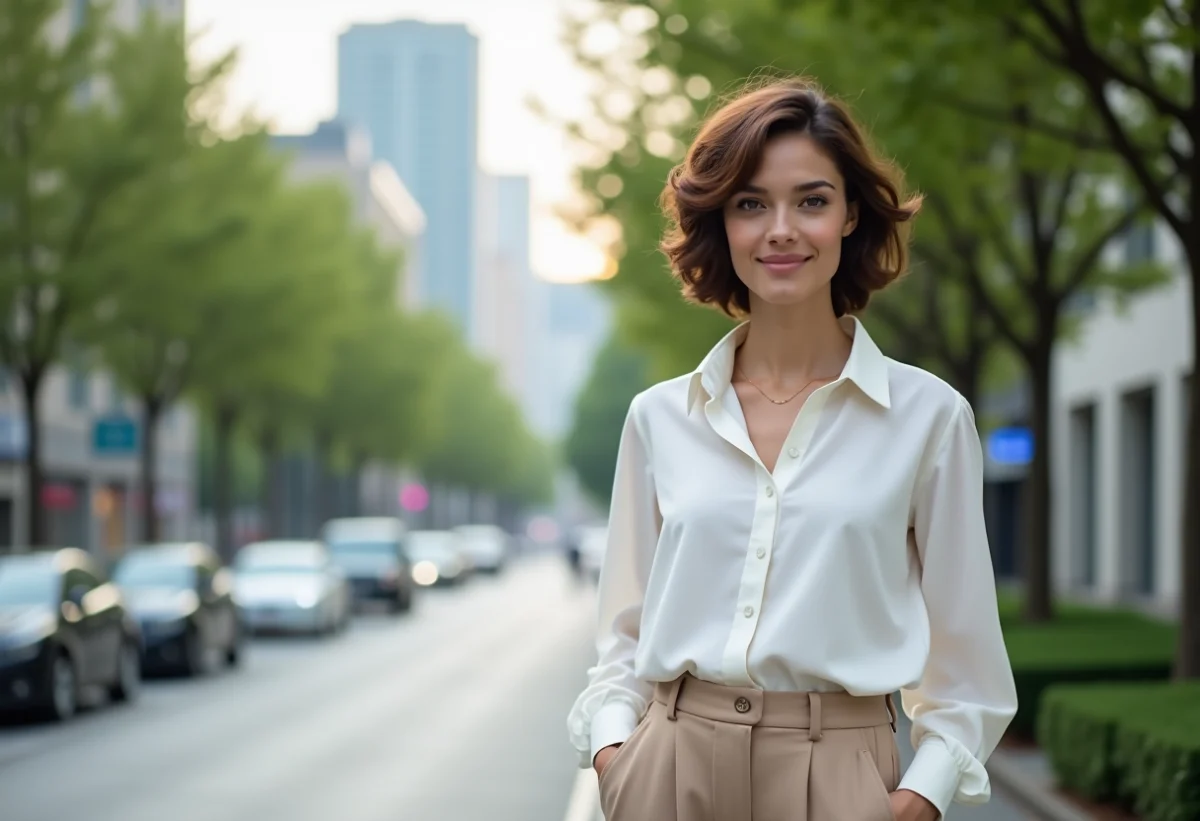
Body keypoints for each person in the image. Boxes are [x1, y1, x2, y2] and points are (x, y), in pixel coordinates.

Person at [566, 77, 1018, 821]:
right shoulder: (660, 418)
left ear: (849, 217)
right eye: (751, 204)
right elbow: (623, 633)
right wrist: (618, 756)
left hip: (839, 773)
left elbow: (967, 664)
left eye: (811, 201)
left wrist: (919, 799)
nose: (781, 229)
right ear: (722, 223)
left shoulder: (929, 417)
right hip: (669, 769)